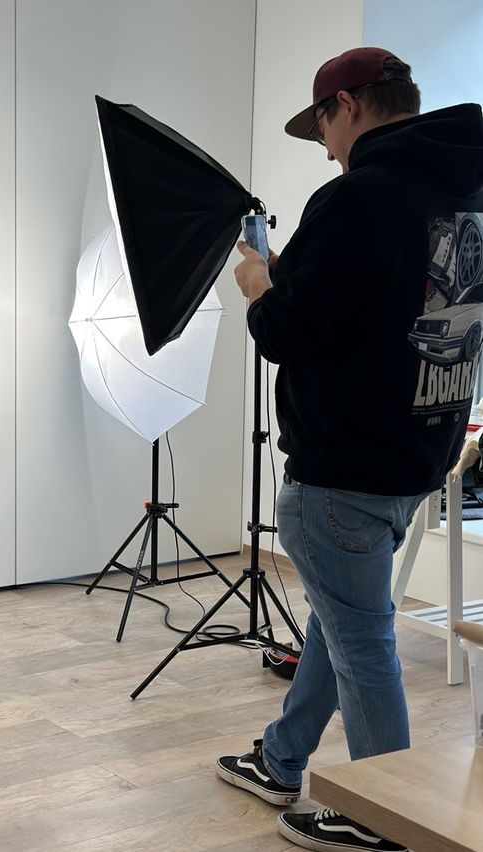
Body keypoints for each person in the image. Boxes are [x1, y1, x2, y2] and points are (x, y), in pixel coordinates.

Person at [217, 48, 483, 852]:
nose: (325, 148)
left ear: (350, 106)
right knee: (344, 618)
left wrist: (261, 284)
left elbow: (290, 334)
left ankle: (385, 812)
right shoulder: (464, 196)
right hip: (418, 456)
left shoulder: (355, 197)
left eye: (322, 128)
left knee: (363, 640)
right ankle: (283, 757)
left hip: (341, 470)